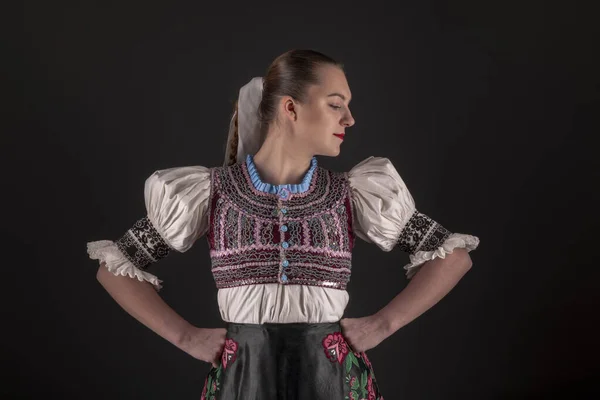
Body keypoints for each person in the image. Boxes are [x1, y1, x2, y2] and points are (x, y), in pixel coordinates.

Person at [87, 49, 480, 400]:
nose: (350, 118)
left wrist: (383, 324)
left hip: (333, 382)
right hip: (244, 380)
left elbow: (453, 257)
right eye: (335, 104)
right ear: (290, 109)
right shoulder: (210, 193)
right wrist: (185, 336)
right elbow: (115, 268)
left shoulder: (351, 192)